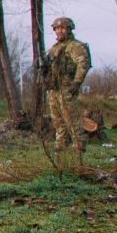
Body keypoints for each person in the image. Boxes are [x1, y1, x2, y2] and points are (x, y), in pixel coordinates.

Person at [43, 16, 92, 156]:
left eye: (63, 28)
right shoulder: (54, 48)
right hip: (54, 89)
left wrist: (76, 83)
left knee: (72, 120)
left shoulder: (75, 46)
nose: (60, 31)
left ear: (69, 29)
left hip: (67, 89)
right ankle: (61, 148)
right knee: (57, 121)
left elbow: (83, 65)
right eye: (57, 28)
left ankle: (79, 149)